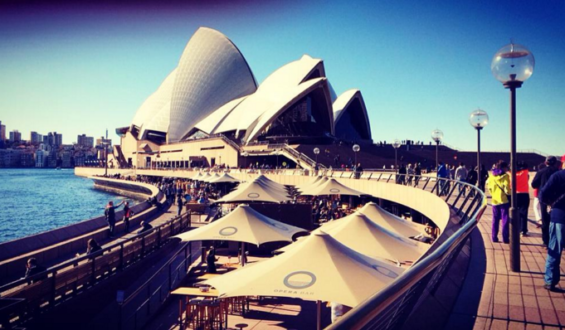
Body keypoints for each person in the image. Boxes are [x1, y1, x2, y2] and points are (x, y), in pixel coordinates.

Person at [540, 155, 565, 291]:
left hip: (559, 216)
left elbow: (542, 195)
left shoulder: (558, 176)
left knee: (554, 249)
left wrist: (551, 203)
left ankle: (550, 281)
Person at [532, 156, 560, 247]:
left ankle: (546, 241)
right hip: (557, 199)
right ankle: (556, 240)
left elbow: (534, 184)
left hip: (544, 198)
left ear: (546, 162)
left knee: (545, 220)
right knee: (557, 220)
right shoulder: (558, 172)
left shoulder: (541, 172)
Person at [487, 161, 511, 243]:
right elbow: (507, 189)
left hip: (494, 201)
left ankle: (494, 237)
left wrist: (493, 194)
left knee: (495, 220)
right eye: (506, 167)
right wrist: (509, 194)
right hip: (504, 201)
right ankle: (505, 238)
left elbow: (489, 187)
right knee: (505, 220)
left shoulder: (491, 176)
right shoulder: (505, 176)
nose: (507, 169)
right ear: (503, 168)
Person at [515, 161, 530, 237]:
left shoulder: (511, 174)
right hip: (524, 193)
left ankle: (517, 228)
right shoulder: (525, 172)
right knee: (524, 212)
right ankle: (523, 230)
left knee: (516, 212)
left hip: (515, 194)